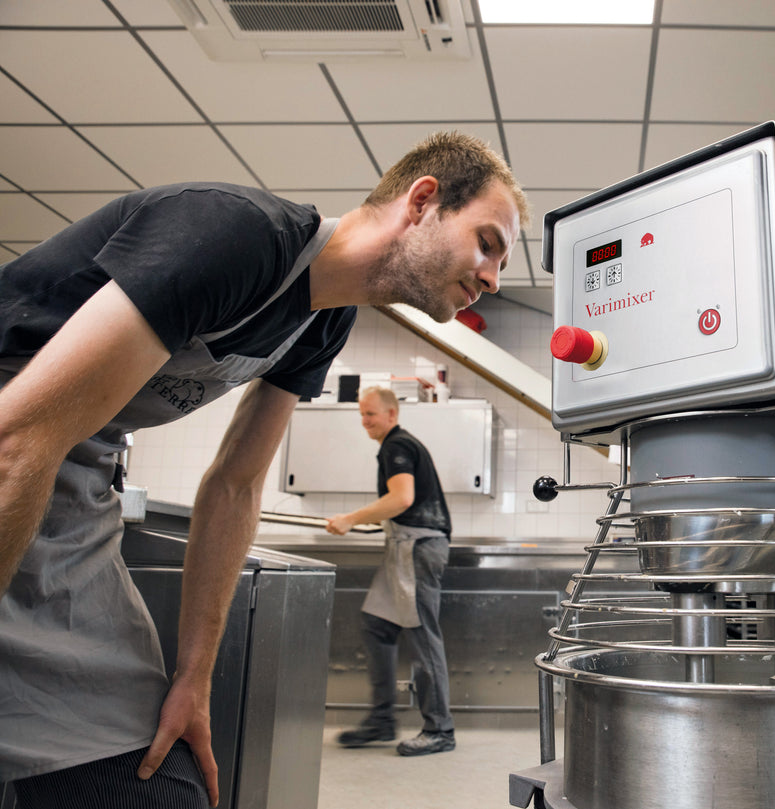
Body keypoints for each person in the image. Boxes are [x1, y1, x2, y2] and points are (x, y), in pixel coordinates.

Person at [0, 131, 527, 808]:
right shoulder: (234, 235)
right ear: (423, 201)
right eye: (487, 243)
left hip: (69, 487)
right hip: (17, 444)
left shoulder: (322, 322)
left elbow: (237, 483)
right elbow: (21, 433)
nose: (493, 277)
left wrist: (194, 678)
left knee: (158, 786)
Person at [324, 386, 454, 756]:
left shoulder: (397, 446)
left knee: (423, 636)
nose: (364, 421)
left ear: (392, 414)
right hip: (406, 544)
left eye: (371, 414)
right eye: (362, 414)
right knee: (377, 625)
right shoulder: (396, 445)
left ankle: (440, 730)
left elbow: (402, 499)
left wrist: (350, 519)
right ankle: (382, 720)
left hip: (416, 547)